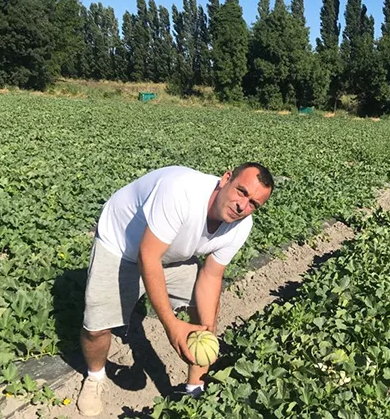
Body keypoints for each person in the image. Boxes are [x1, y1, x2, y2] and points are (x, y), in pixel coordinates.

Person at [76, 162, 274, 416]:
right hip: (122, 245)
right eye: (242, 192)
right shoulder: (181, 192)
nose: (242, 206)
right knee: (97, 326)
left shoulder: (240, 227)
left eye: (253, 204)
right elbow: (148, 257)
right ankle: (94, 377)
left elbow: (212, 277)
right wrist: (171, 325)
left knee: (202, 314)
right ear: (226, 179)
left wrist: (208, 332)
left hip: (175, 252)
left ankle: (195, 388)